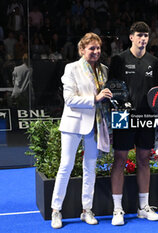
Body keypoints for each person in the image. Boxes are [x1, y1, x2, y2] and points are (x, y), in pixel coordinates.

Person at [50, 32, 112, 229]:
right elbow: (69, 99)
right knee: (66, 166)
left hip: (96, 125)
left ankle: (87, 210)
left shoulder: (104, 70)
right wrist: (95, 98)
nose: (96, 52)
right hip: (73, 124)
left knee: (90, 168)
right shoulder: (71, 68)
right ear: (82, 50)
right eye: (91, 48)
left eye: (98, 48)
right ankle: (56, 211)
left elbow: (106, 98)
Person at [108, 21, 158, 226]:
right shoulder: (118, 60)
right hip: (122, 115)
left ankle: (143, 207)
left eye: (146, 36)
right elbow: (111, 89)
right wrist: (114, 111)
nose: (143, 39)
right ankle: (117, 209)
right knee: (120, 160)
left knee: (144, 159)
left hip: (147, 116)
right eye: (139, 35)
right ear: (131, 37)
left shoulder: (155, 62)